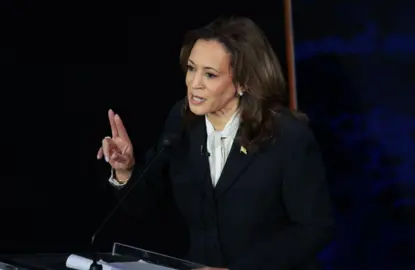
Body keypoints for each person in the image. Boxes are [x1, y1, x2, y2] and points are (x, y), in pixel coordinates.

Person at [97, 17, 334, 270]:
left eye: (209, 74)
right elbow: (146, 205)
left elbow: (314, 229)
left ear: (243, 82)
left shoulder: (287, 136)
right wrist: (125, 170)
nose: (194, 83)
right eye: (191, 68)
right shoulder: (182, 121)